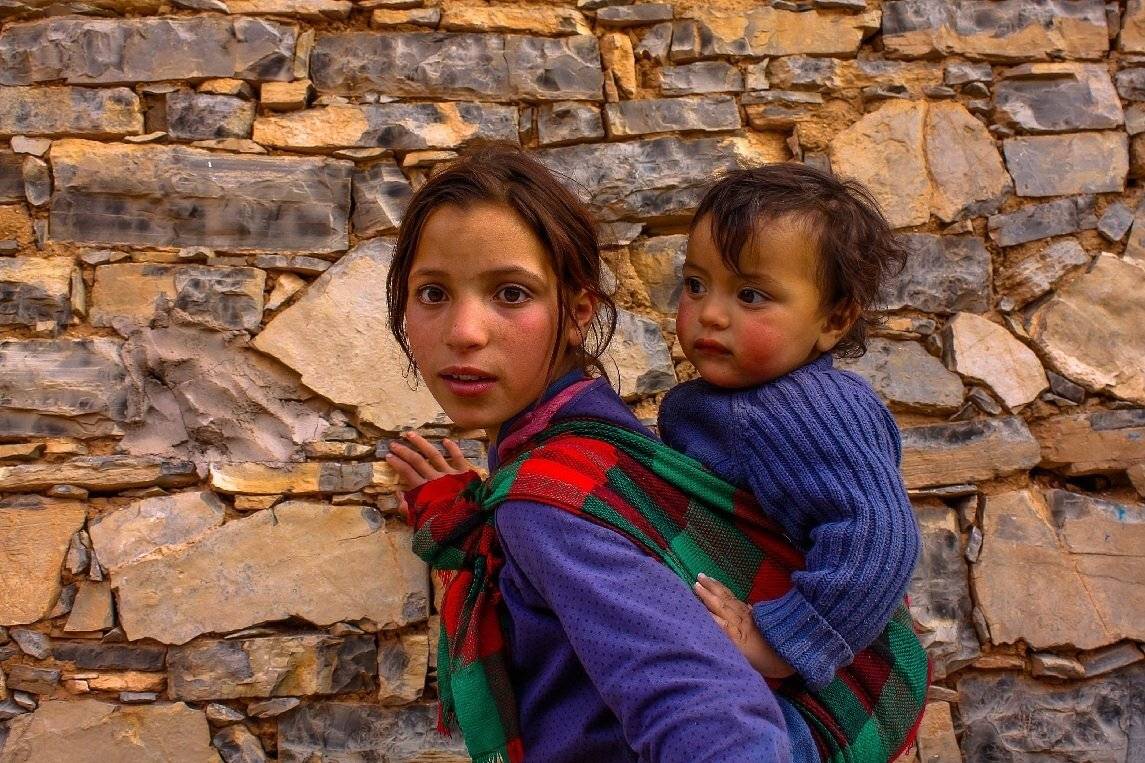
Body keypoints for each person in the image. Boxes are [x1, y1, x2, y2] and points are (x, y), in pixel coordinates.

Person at [384, 144, 792, 763]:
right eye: (433, 293)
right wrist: (467, 513)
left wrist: (521, 505)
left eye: (512, 294)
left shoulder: (548, 502)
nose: (464, 331)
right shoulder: (590, 446)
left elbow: (715, 724)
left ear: (576, 314)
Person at [662, 163, 925, 761]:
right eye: (696, 284)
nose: (710, 313)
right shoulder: (730, 403)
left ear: (833, 320)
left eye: (750, 295)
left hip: (837, 697)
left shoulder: (808, 407)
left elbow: (878, 540)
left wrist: (780, 639)